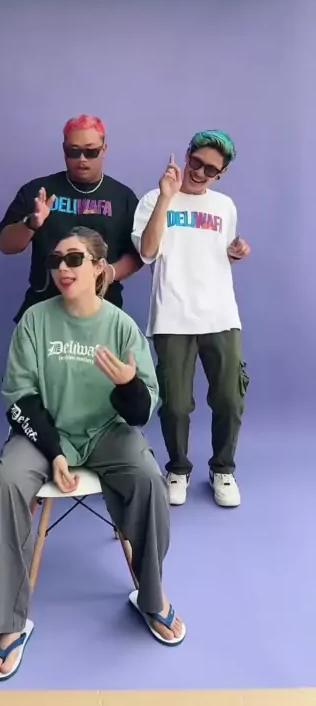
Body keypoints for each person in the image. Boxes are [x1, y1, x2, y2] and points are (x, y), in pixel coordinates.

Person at [0, 226, 185, 682]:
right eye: (55, 260)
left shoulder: (121, 326)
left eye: (74, 259)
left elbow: (142, 411)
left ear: (98, 268)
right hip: (45, 434)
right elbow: (19, 398)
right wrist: (53, 452)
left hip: (107, 432)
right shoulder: (34, 321)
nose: (63, 268)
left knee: (149, 479)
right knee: (6, 483)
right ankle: (8, 620)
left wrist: (128, 385)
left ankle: (152, 597)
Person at [131, 130, 251, 509]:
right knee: (175, 404)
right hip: (172, 317)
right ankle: (178, 469)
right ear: (186, 156)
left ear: (222, 173)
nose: (199, 172)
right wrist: (166, 197)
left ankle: (223, 469)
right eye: (195, 162)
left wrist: (235, 251)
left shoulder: (225, 206)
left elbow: (214, 252)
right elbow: (147, 252)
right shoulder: (153, 199)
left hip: (221, 316)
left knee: (230, 399)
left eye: (210, 169)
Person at [0, 114, 141, 322]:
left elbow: (139, 254)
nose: (82, 159)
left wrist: (111, 272)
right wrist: (31, 224)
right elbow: (5, 244)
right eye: (74, 151)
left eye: (91, 152)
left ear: (104, 149)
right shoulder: (38, 191)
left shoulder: (122, 198)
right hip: (43, 312)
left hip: (102, 313)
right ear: (64, 150)